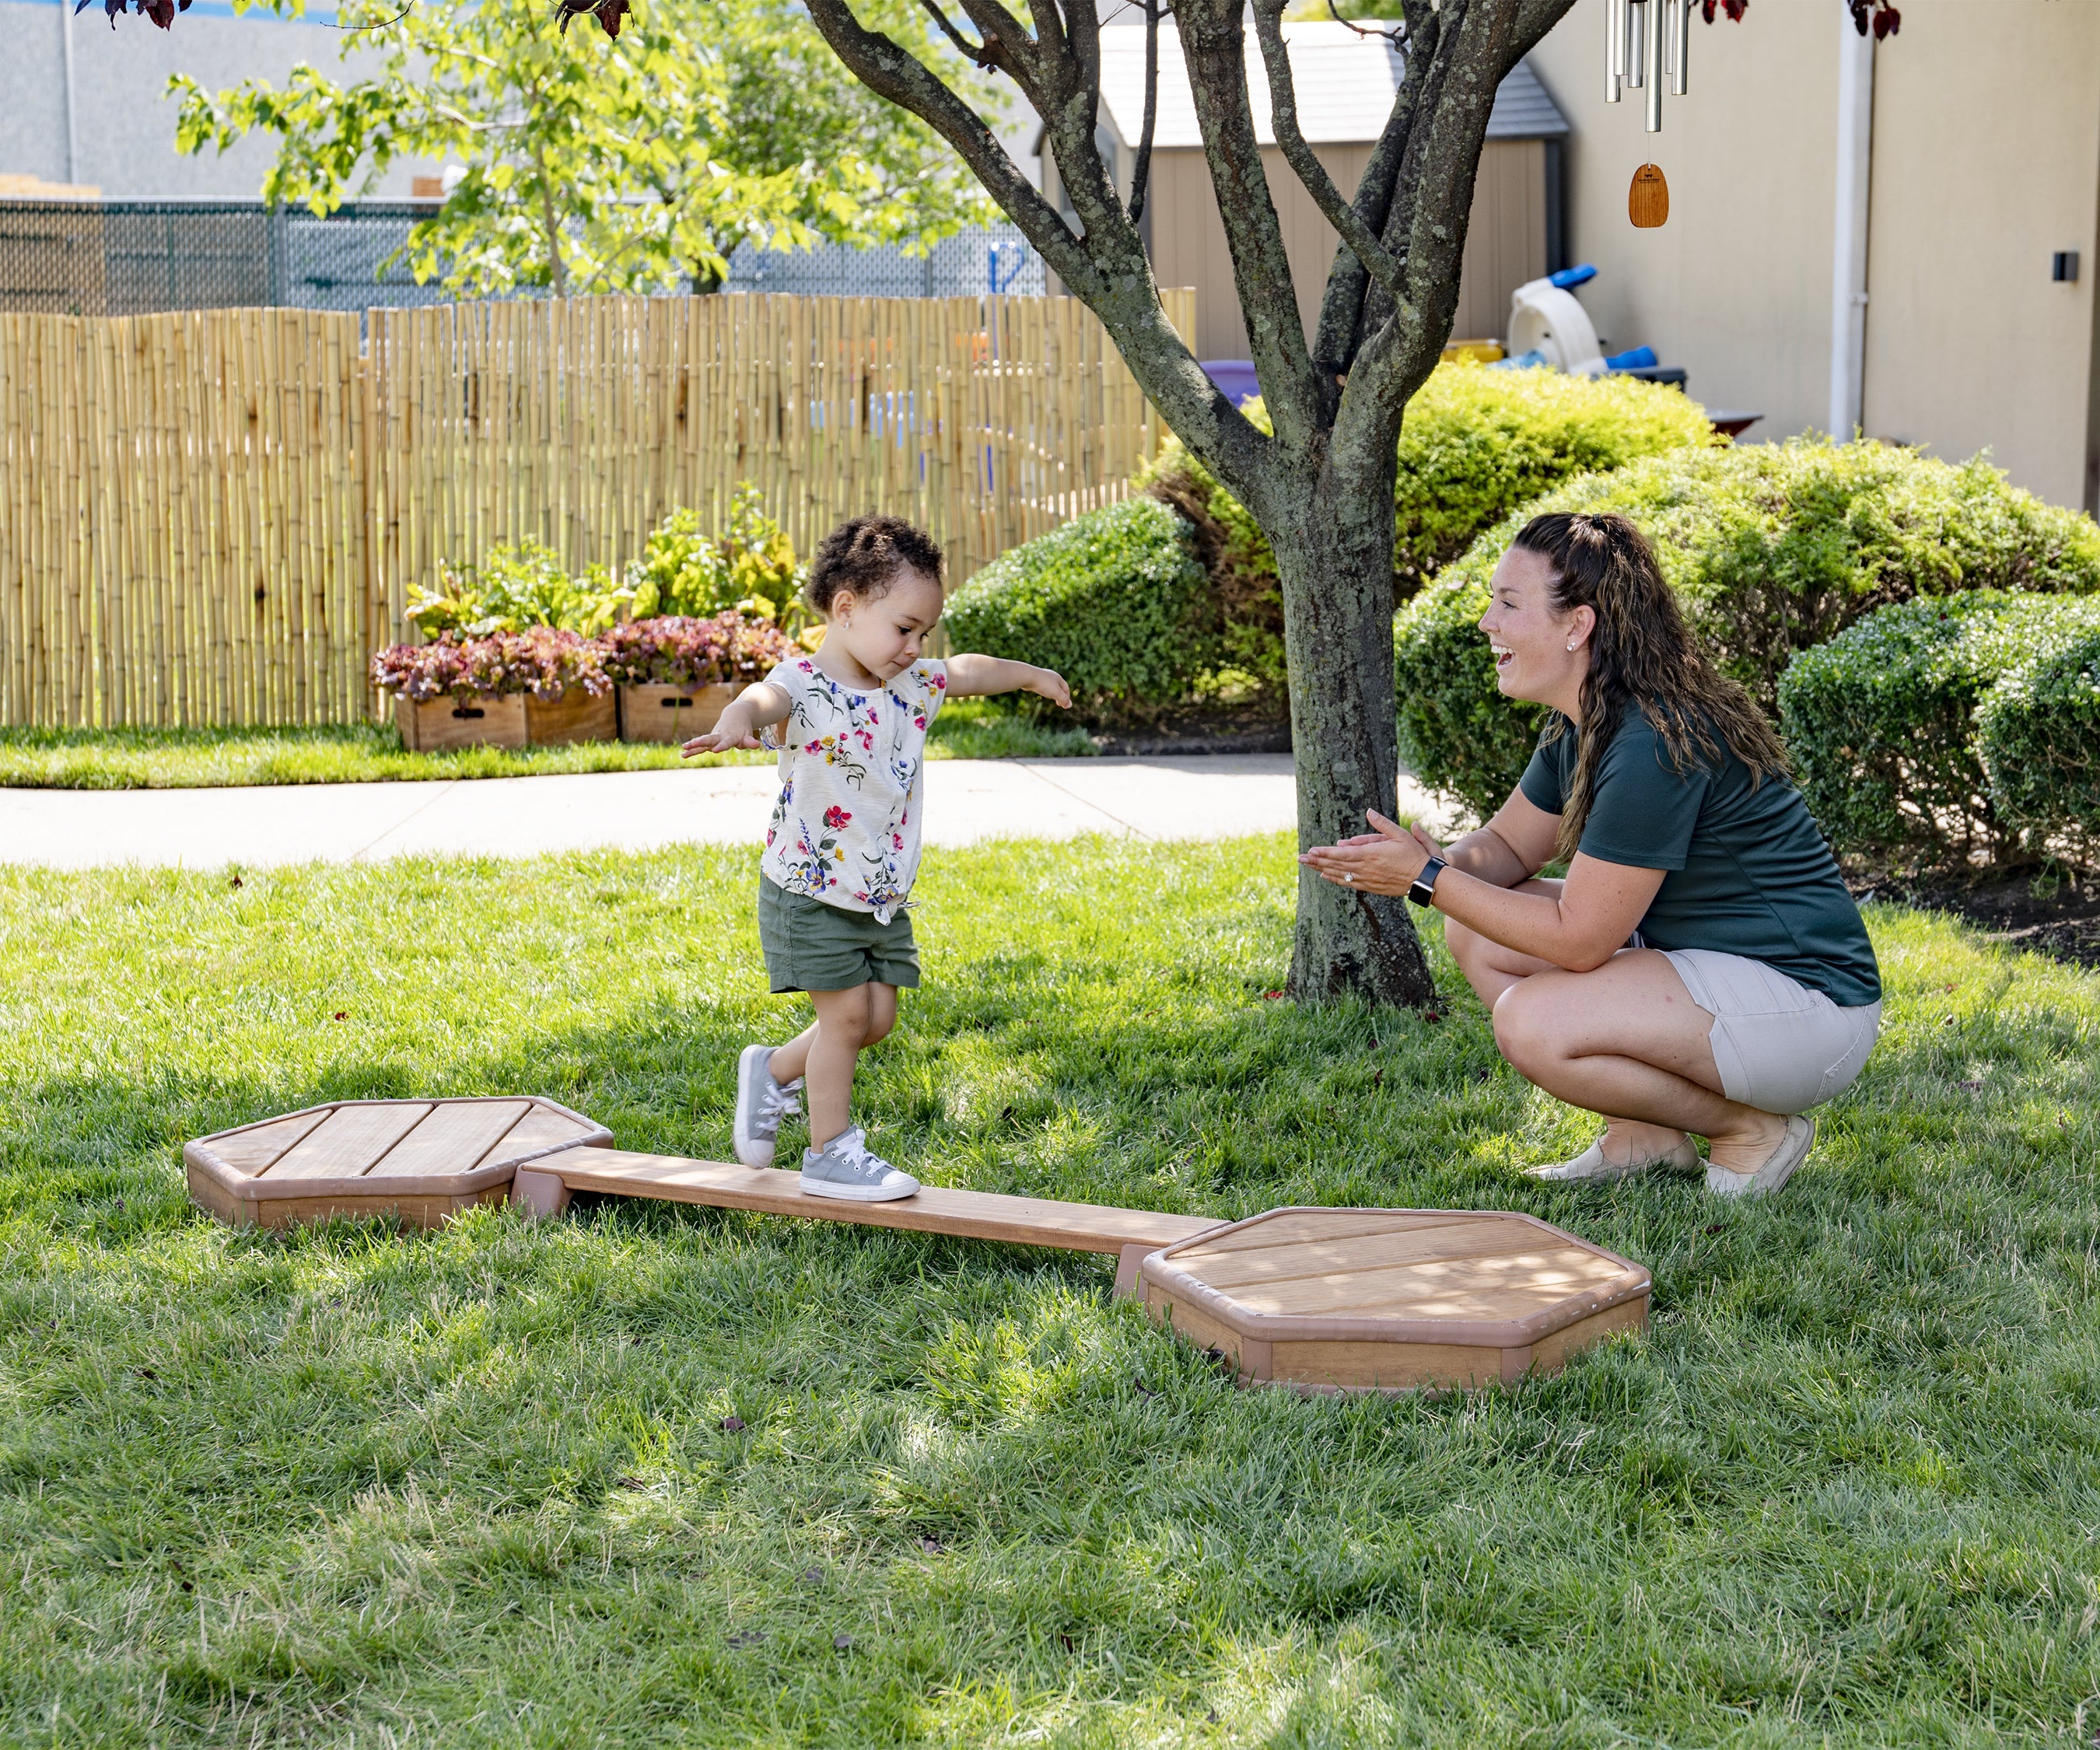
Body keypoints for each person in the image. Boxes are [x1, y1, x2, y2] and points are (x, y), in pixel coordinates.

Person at [1301, 511, 1881, 1197]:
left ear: (1578, 626)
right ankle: (1645, 1138)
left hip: (1808, 1009)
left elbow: (1580, 942)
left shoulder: (1654, 742)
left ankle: (1750, 1131)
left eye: (1508, 604)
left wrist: (1424, 881)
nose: (1488, 623)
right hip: (1719, 974)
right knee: (1477, 927)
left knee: (1533, 1021)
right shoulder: (1591, 720)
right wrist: (1436, 860)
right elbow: (1510, 846)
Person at [682, 514, 1071, 1202]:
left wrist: (1032, 675)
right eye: (904, 628)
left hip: (880, 894)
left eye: (924, 632)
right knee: (848, 1020)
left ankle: (772, 1073)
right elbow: (763, 696)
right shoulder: (802, 684)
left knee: (877, 1021)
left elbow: (967, 670)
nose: (915, 646)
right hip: (810, 889)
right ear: (846, 608)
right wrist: (738, 719)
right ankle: (830, 1154)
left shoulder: (912, 684)